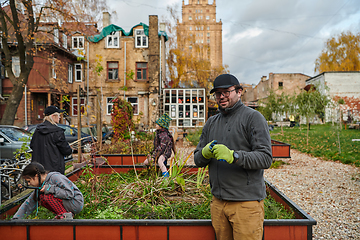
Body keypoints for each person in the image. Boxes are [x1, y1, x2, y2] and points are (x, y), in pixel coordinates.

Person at [194, 74, 273, 240]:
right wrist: (204, 153)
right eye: (217, 93)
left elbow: (265, 158)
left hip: (246, 204)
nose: (221, 96)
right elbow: (197, 160)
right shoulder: (211, 123)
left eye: (226, 92)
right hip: (218, 203)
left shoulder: (253, 118)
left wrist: (234, 156)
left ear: (239, 92)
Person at [12, 162, 83, 219]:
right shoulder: (42, 185)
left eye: (29, 181)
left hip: (75, 202)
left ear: (36, 176)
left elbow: (69, 193)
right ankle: (61, 214)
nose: (29, 184)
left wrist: (51, 189)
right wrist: (16, 219)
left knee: (46, 195)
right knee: (41, 196)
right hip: (68, 203)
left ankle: (65, 216)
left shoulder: (55, 177)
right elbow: (29, 203)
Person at [30, 105, 72, 174]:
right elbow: (66, 150)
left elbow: (32, 145)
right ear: (53, 116)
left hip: (39, 168)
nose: (60, 117)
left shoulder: (38, 130)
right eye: (58, 115)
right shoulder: (57, 131)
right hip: (54, 169)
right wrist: (70, 149)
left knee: (41, 184)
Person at [143, 113, 175, 177]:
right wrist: (151, 153)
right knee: (146, 162)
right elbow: (156, 146)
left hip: (165, 153)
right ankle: (149, 175)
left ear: (162, 126)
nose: (156, 125)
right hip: (158, 152)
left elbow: (162, 148)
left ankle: (166, 177)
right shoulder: (158, 133)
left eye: (157, 124)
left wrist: (154, 156)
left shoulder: (164, 135)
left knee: (160, 161)